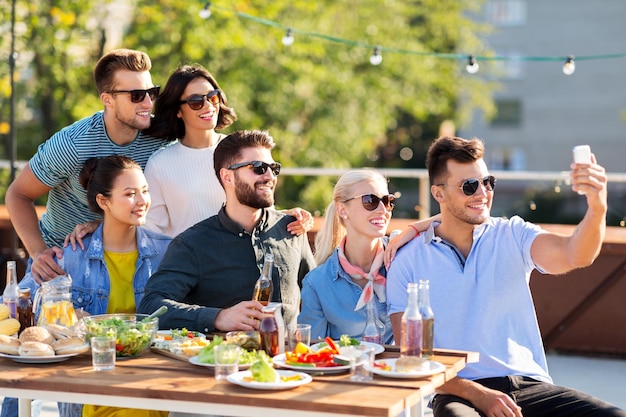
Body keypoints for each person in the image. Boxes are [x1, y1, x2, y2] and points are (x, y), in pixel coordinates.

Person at [387, 136, 625, 417]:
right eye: (469, 186)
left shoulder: (513, 234)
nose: (482, 193)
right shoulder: (409, 259)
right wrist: (479, 394)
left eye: (488, 182)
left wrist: (597, 208)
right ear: (439, 194)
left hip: (531, 386)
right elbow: (411, 357)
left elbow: (576, 254)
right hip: (461, 393)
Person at [13, 155, 171, 417]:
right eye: (130, 194)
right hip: (91, 387)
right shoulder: (72, 256)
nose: (143, 201)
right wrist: (69, 319)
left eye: (145, 191)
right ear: (103, 201)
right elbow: (17, 305)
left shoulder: (166, 251)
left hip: (147, 383)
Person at [5, 49, 169, 283]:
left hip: (129, 262)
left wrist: (103, 224)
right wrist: (38, 253)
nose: (147, 103)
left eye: (152, 93)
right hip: (62, 263)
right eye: (136, 95)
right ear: (107, 99)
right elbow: (18, 194)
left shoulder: (161, 139)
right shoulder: (74, 144)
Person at [137, 129, 316, 332]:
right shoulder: (192, 244)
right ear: (227, 177)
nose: (269, 176)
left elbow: (319, 294)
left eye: (273, 168)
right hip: (222, 360)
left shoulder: (292, 230)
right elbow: (151, 306)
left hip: (289, 360)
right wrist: (217, 317)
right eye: (258, 168)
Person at [142, 64, 312, 237]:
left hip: (244, 258)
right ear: (178, 110)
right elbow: (152, 233)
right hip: (190, 262)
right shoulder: (160, 164)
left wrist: (290, 217)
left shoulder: (242, 151)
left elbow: (262, 213)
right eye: (196, 102)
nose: (208, 106)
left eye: (212, 97)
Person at [298, 169, 397, 343]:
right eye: (370, 200)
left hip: (401, 369)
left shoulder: (404, 260)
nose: (383, 210)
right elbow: (313, 354)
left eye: (387, 201)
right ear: (342, 209)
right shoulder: (317, 284)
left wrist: (415, 229)